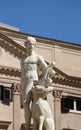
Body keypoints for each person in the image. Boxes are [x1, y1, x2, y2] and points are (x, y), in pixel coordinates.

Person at [20, 36, 47, 130]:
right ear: (26, 45)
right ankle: (28, 125)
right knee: (25, 104)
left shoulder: (37, 57)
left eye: (33, 44)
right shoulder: (23, 59)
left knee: (27, 102)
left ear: (35, 45)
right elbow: (23, 72)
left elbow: (46, 68)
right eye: (29, 44)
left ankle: (28, 126)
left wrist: (42, 79)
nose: (31, 45)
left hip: (33, 80)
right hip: (23, 81)